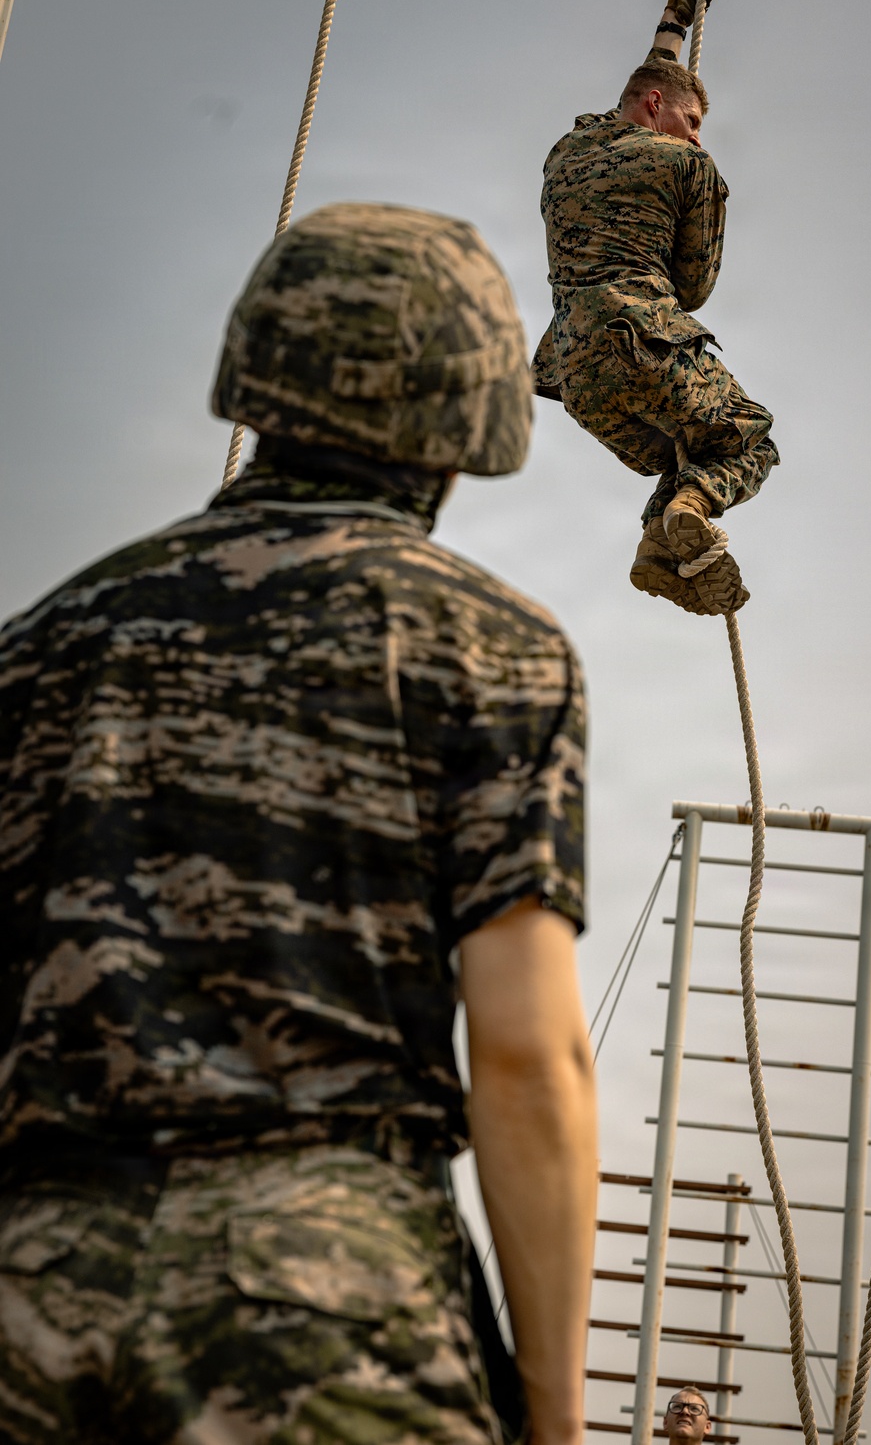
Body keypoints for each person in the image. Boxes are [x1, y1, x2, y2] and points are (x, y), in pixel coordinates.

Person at [0, 203, 598, 1445]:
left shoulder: (45, 640)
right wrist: (550, 1415)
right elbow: (530, 1059)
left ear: (256, 375)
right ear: (470, 414)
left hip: (28, 1288)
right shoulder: (492, 647)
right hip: (325, 1296)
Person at [535, 0, 779, 616]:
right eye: (693, 118)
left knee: (684, 452)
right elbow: (694, 286)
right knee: (747, 436)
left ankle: (656, 546)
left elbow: (639, 90)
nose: (698, 133)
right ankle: (688, 513)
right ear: (657, 109)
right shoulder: (686, 162)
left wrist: (671, 28)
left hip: (579, 376)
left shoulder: (566, 151)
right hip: (646, 344)